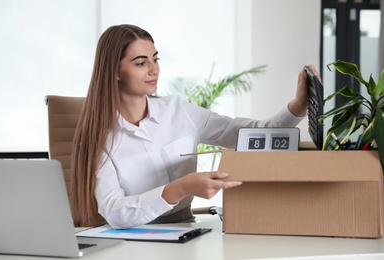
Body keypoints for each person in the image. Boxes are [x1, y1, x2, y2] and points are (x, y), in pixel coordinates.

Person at [71, 24, 319, 229]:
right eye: (140, 63)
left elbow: (249, 134)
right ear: (114, 70)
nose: (153, 69)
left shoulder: (178, 111)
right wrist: (179, 189)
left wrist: (298, 105)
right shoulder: (97, 137)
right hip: (131, 240)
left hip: (185, 231)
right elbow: (114, 211)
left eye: (155, 59)